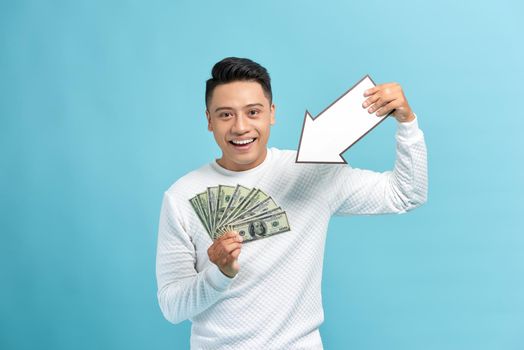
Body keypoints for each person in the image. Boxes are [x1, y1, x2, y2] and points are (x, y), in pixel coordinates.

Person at [156, 57, 428, 349]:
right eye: (225, 115)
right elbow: (172, 307)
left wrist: (407, 123)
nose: (240, 127)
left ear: (271, 114)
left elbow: (406, 193)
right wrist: (219, 273)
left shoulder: (310, 172)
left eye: (253, 112)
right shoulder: (181, 197)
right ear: (209, 120)